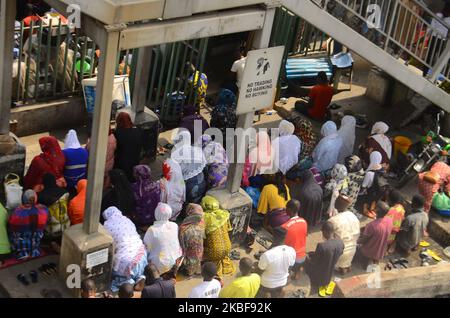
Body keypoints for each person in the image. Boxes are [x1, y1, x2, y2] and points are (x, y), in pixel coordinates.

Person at [103, 206, 148, 293]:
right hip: (141, 254)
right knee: (135, 266)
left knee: (119, 271)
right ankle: (140, 277)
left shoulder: (107, 225)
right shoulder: (127, 220)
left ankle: (128, 282)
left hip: (127, 261)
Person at [143, 203, 182, 276]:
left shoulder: (152, 230)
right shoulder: (174, 225)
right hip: (176, 260)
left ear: (156, 213)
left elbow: (146, 248)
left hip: (160, 265)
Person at [9, 190, 49, 260]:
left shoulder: (16, 212)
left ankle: (23, 253)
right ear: (35, 198)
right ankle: (33, 251)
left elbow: (11, 227)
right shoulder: (44, 209)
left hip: (20, 246)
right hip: (35, 245)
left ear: (23, 199)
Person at [257, 227, 296, 298]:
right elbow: (290, 268)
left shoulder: (267, 255)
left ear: (273, 237)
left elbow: (259, 270)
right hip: (283, 281)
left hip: (267, 284)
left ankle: (267, 293)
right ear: (285, 237)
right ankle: (278, 291)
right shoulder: (292, 251)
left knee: (255, 268)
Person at [305, 222, 344, 291]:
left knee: (304, 259)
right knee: (311, 254)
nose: (322, 234)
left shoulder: (322, 246)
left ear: (325, 231)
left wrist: (307, 257)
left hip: (317, 277)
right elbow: (336, 253)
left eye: (322, 232)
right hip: (329, 275)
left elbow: (313, 262)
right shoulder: (340, 243)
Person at [201, 196, 235, 276]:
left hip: (214, 252)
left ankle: (216, 273)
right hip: (228, 247)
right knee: (222, 252)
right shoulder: (224, 214)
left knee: (214, 254)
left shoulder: (204, 218)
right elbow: (229, 229)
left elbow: (202, 236)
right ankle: (226, 267)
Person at [171, 129, 207, 204]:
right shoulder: (195, 150)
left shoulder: (176, 155)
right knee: (196, 200)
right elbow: (204, 166)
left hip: (189, 186)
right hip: (201, 181)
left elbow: (175, 173)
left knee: (188, 201)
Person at [357, 201, 393, 267]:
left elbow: (363, 241)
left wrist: (354, 240)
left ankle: (366, 265)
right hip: (381, 251)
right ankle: (373, 264)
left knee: (356, 247)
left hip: (369, 252)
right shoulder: (390, 220)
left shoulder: (372, 225)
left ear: (376, 210)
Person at [281, 200, 307, 280]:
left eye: (286, 208)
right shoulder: (304, 221)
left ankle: (286, 275)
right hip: (302, 257)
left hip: (291, 259)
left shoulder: (285, 227)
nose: (285, 210)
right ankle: (297, 273)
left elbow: (281, 244)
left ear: (290, 210)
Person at [328, 210, 360, 275]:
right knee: (346, 259)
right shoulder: (352, 215)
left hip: (340, 252)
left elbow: (327, 239)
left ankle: (341, 269)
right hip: (353, 250)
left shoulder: (332, 221)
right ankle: (346, 266)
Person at [114, 112, 143, 181]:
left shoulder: (118, 133)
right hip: (135, 161)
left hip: (121, 164)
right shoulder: (138, 131)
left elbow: (115, 149)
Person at [179, 204, 205, 277]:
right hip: (200, 250)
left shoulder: (183, 227)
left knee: (189, 260)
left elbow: (181, 243)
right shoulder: (202, 222)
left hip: (189, 252)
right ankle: (197, 270)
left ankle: (189, 272)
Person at [360, 151, 387, 218]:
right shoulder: (382, 169)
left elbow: (364, 185)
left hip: (371, 192)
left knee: (365, 193)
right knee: (375, 197)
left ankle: (365, 210)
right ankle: (372, 209)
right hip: (381, 190)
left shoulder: (369, 173)